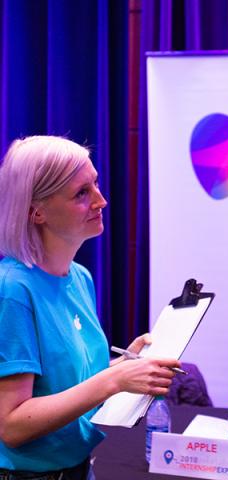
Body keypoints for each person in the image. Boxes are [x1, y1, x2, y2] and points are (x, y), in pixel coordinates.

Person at [0, 136, 181, 479]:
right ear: (36, 211)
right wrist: (114, 379)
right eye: (81, 194)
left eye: (95, 184)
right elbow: (11, 423)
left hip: (79, 469)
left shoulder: (79, 277)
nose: (102, 200)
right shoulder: (11, 290)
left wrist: (125, 366)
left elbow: (65, 382)